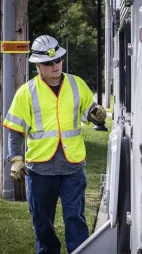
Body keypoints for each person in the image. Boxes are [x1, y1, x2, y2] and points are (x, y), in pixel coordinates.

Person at [3, 35, 107, 254]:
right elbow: (14, 128)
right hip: (40, 169)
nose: (55, 65)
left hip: (73, 167)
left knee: (75, 218)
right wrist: (15, 159)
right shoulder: (27, 92)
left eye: (58, 60)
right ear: (38, 65)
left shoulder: (76, 84)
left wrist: (96, 113)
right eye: (49, 63)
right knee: (42, 222)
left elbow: (89, 108)